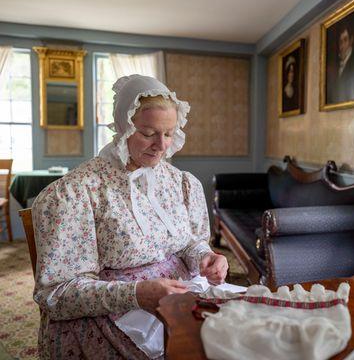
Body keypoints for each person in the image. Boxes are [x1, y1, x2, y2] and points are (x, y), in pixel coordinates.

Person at [32, 74, 229, 359]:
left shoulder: (182, 183)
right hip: (116, 314)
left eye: (169, 133)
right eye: (148, 133)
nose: (161, 145)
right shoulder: (77, 192)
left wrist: (205, 257)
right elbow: (56, 295)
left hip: (182, 298)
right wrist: (136, 294)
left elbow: (189, 243)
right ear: (123, 128)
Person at [328, 25, 354, 104]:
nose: (342, 45)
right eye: (340, 41)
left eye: (345, 40)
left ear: (351, 40)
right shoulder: (335, 66)